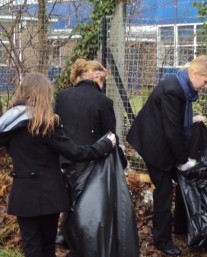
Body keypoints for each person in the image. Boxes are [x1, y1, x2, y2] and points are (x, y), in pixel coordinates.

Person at [0, 72, 116, 257]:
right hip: (49, 194)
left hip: (23, 194)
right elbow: (77, 152)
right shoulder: (46, 125)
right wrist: (105, 144)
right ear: (45, 94)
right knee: (47, 247)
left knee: (31, 248)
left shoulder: (7, 124)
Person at [126, 55, 207, 256]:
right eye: (205, 81)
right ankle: (162, 240)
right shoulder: (173, 90)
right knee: (164, 191)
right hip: (153, 145)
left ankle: (182, 228)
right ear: (195, 74)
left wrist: (190, 120)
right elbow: (172, 130)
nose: (205, 86)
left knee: (185, 182)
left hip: (160, 139)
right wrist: (184, 161)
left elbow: (172, 118)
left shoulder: (182, 86)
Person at [54, 59, 128, 249]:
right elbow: (110, 136)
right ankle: (78, 240)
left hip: (62, 157)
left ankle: (63, 235)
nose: (103, 86)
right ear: (97, 77)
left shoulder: (62, 96)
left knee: (69, 198)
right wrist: (121, 161)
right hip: (88, 160)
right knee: (85, 204)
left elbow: (56, 126)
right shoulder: (103, 101)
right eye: (103, 82)